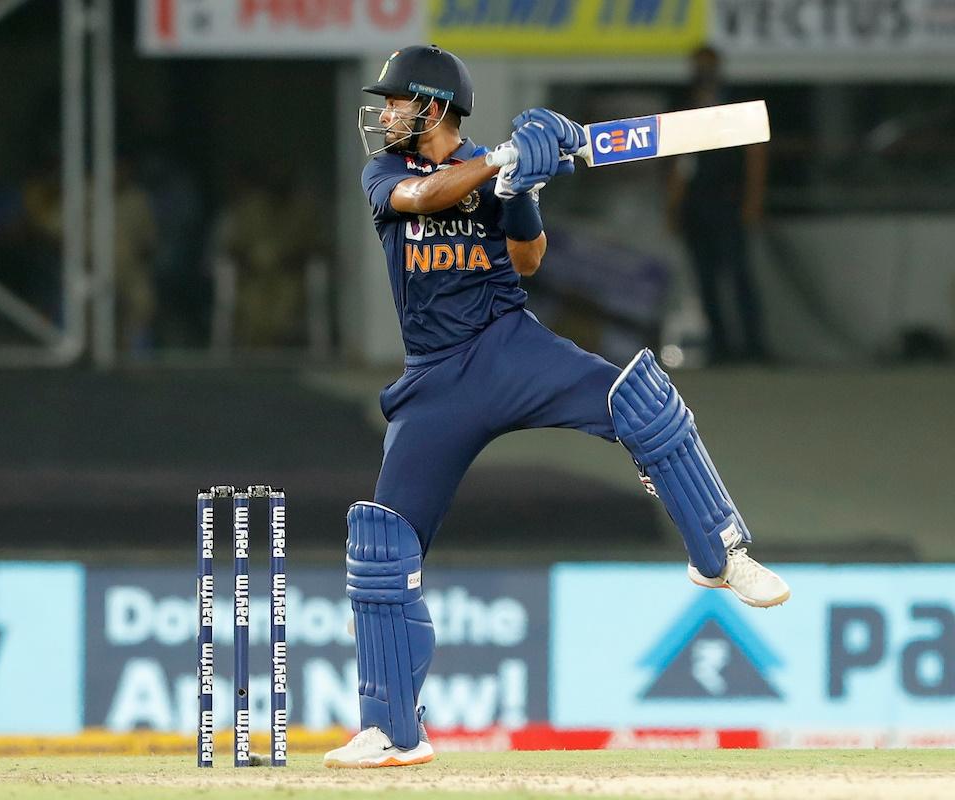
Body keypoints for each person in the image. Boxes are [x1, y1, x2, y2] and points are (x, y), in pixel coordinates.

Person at [323, 45, 790, 770]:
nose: (384, 115)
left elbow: (529, 262)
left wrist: (526, 184)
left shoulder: (495, 167)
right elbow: (426, 198)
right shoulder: (387, 173)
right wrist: (504, 161)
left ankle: (720, 554)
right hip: (436, 381)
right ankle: (392, 731)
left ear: (433, 108)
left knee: (640, 400)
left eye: (395, 102)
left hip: (510, 348)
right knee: (385, 544)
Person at [666, 45, 769, 364]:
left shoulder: (735, 105)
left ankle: (753, 346)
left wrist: (753, 198)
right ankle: (721, 347)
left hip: (729, 200)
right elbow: (681, 164)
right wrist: (673, 207)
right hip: (698, 206)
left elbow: (755, 154)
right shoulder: (686, 106)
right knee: (706, 279)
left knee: (739, 276)